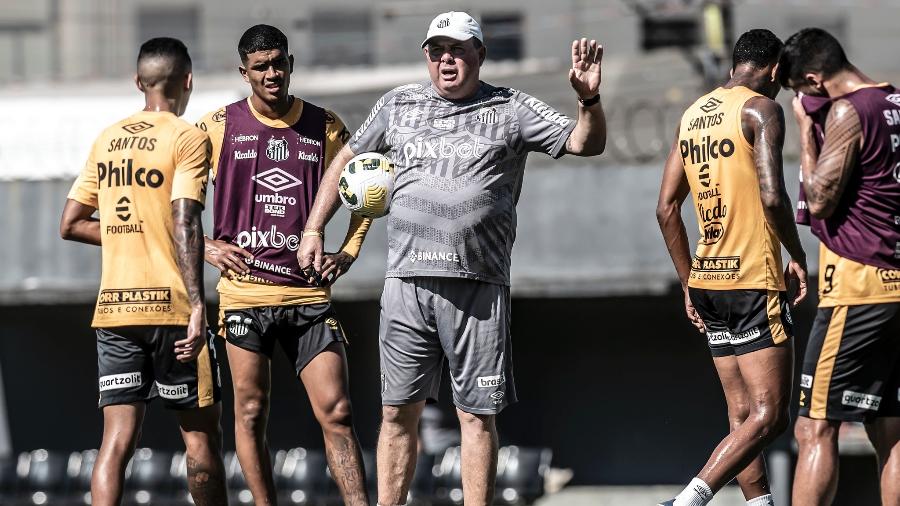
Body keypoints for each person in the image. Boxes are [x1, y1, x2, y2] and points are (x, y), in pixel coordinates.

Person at [298, 11, 606, 506]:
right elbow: (347, 160)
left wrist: (588, 99)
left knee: (476, 416)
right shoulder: (398, 103)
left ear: (480, 56)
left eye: (459, 50)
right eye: (437, 50)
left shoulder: (510, 106)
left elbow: (586, 143)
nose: (447, 59)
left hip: (477, 285)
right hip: (406, 283)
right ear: (426, 56)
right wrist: (315, 227)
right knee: (398, 413)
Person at [195, 24, 370, 505]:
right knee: (250, 411)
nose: (271, 74)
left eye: (278, 63)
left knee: (337, 411)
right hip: (244, 297)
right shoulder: (217, 126)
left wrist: (349, 251)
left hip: (309, 295)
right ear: (243, 72)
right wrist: (207, 245)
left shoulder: (325, 125)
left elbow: (369, 188)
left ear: (290, 63)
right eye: (260, 67)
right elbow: (171, 202)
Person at [59, 38, 227, 505]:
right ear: (188, 80)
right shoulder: (187, 136)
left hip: (114, 310)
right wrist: (197, 305)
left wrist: (129, 231)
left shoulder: (107, 138)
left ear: (139, 83)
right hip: (171, 309)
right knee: (199, 437)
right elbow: (184, 220)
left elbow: (70, 224)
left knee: (116, 442)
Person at [656, 29, 807, 506]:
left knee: (742, 417)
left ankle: (758, 504)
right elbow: (771, 194)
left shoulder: (693, 114)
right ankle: (689, 500)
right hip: (751, 281)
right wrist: (797, 255)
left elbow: (665, 209)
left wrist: (686, 283)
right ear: (775, 70)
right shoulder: (761, 109)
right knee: (771, 416)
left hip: (707, 281)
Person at [779, 28, 900, 506]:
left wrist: (807, 131)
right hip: (897, 287)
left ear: (813, 78)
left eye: (802, 91)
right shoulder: (896, 102)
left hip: (857, 288)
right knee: (891, 429)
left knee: (815, 426)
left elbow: (823, 199)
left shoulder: (849, 111)